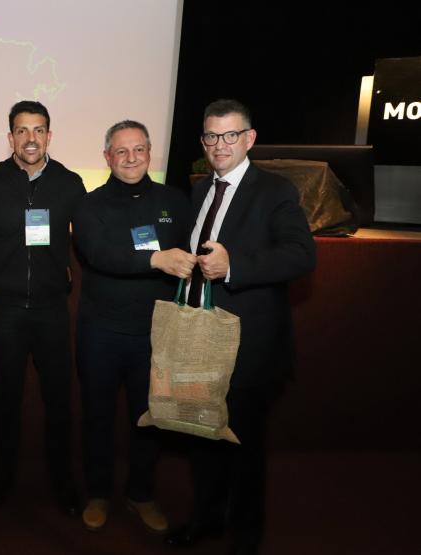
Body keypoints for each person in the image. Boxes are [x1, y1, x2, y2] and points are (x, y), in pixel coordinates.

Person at [164, 99, 315, 554]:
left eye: (230, 135)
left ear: (249, 139)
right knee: (202, 438)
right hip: (198, 339)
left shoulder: (275, 190)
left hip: (248, 348)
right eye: (211, 136)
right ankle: (207, 519)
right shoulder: (198, 191)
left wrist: (234, 267)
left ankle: (246, 538)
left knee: (243, 447)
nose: (220, 145)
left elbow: (301, 256)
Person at [72, 120, 195, 533]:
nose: (131, 158)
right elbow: (99, 253)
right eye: (121, 151)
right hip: (100, 333)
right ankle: (99, 493)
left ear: (149, 153)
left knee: (150, 419)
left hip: (156, 332)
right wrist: (156, 259)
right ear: (107, 157)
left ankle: (141, 494)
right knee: (98, 417)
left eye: (138, 149)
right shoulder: (89, 205)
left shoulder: (175, 201)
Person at [0, 100, 85, 516]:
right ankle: (3, 476)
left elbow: (92, 237)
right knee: (7, 397)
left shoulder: (70, 183)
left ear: (49, 136)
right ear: (10, 137)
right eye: (22, 130)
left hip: (51, 309)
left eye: (38, 130)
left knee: (58, 399)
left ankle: (62, 480)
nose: (30, 138)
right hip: (6, 307)